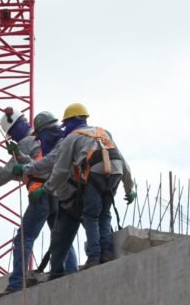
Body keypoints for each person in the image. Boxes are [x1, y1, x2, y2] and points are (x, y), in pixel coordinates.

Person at [0, 110, 78, 295]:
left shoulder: (26, 142)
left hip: (41, 196)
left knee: (23, 239)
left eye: (10, 133)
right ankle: (71, 273)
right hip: (57, 192)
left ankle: (17, 283)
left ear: (15, 129)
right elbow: (25, 172)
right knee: (61, 235)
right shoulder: (40, 142)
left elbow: (11, 170)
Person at [38, 103, 136, 278]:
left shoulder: (72, 138)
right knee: (105, 214)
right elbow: (122, 160)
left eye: (65, 124)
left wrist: (47, 188)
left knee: (91, 215)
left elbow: (60, 170)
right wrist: (130, 189)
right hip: (115, 172)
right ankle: (106, 254)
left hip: (95, 173)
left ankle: (94, 257)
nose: (64, 128)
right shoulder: (103, 132)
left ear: (72, 121)